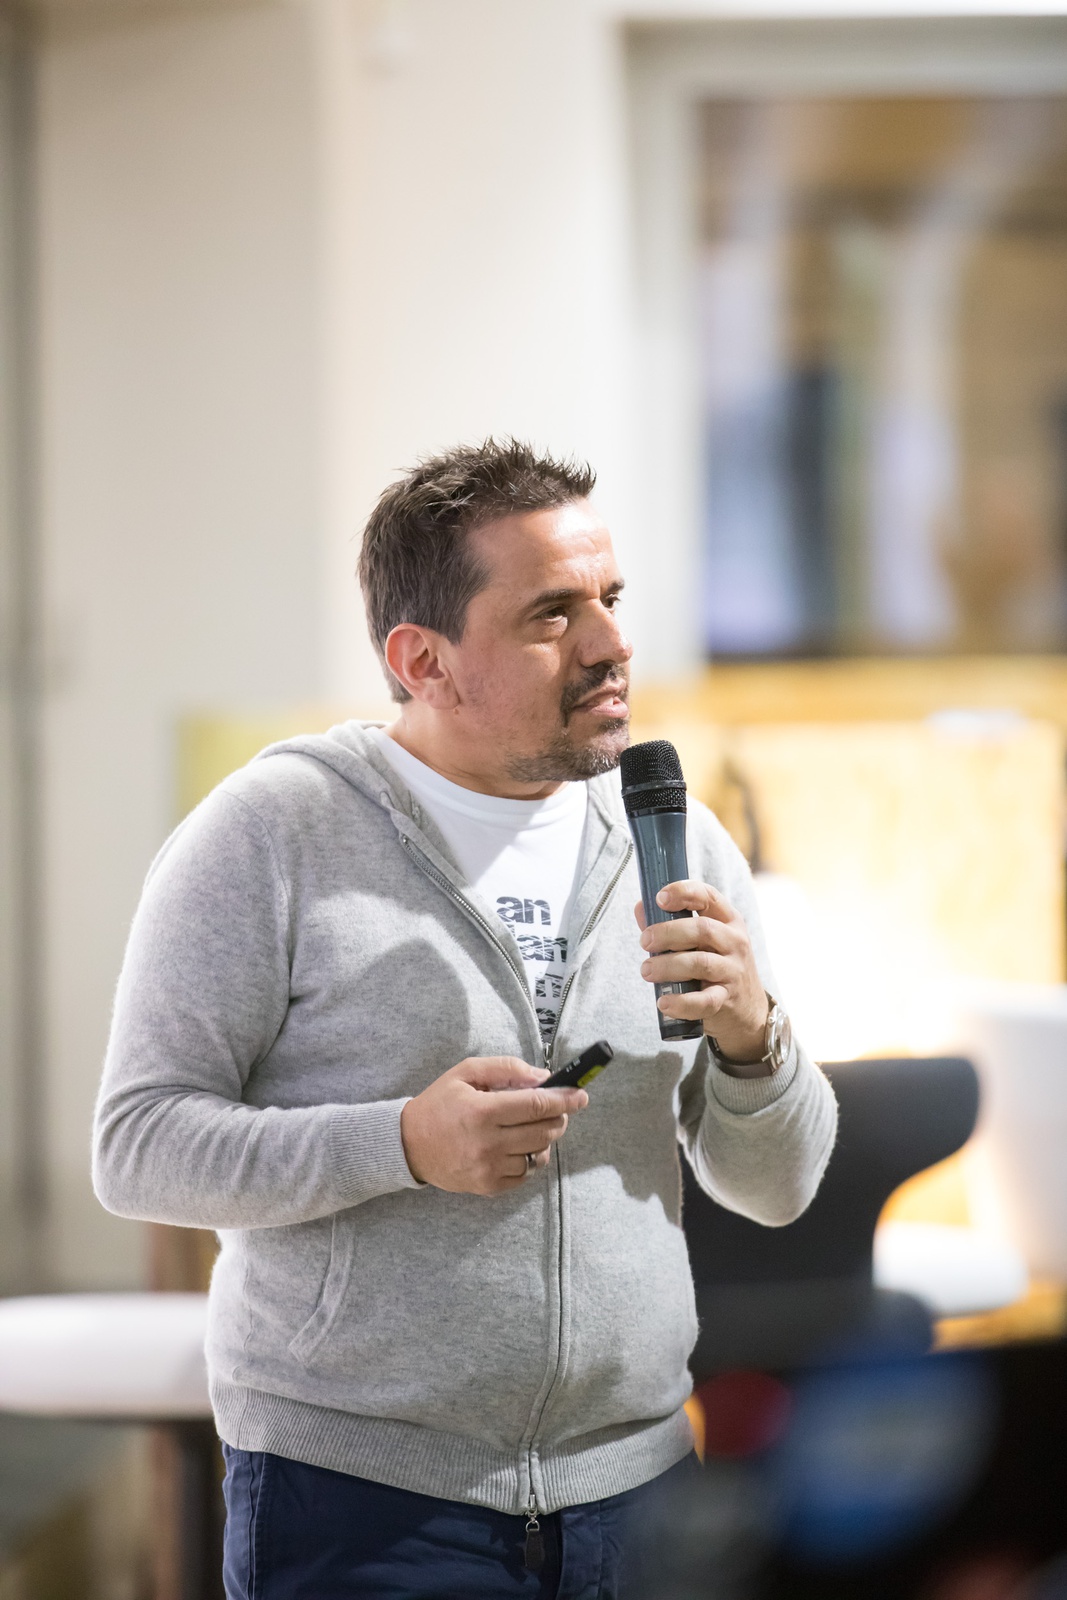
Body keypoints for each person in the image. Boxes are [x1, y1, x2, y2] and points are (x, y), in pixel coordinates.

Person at [93, 439, 837, 1600]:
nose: (609, 642)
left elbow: (778, 1186)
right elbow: (138, 1146)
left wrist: (756, 1040)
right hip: (359, 1502)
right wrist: (400, 1142)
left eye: (610, 598)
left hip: (641, 1493)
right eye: (551, 613)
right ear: (422, 660)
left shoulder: (677, 840)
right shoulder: (269, 836)